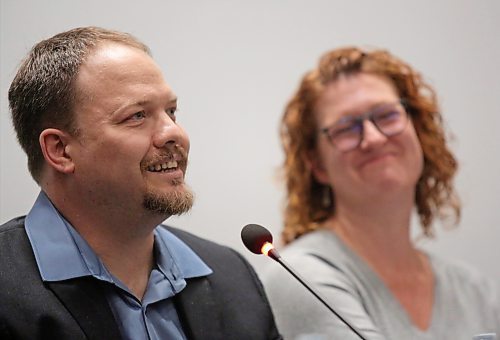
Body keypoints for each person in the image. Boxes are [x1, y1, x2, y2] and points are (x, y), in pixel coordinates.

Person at [0, 26, 281, 340]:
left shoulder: (232, 278)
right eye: (136, 116)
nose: (175, 133)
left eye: (171, 111)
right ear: (60, 150)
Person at [261, 47, 500, 339]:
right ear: (317, 165)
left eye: (387, 115)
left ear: (419, 131)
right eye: (346, 128)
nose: (373, 138)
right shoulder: (300, 277)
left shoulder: (477, 292)